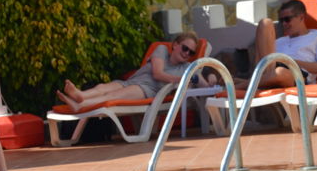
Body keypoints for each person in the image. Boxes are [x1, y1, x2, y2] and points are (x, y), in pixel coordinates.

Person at [56, 31, 216, 112]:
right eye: (185, 48)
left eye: (191, 52)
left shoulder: (188, 68)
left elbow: (206, 88)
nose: (187, 54)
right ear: (175, 45)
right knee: (102, 87)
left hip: (147, 89)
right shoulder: (161, 50)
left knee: (112, 96)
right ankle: (81, 95)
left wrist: (210, 77)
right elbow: (158, 73)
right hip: (132, 81)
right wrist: (181, 79)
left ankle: (81, 105)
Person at [250, 0, 317, 88]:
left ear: (301, 17)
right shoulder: (279, 41)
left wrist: (289, 61)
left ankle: (247, 84)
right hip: (272, 68)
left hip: (297, 75)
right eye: (281, 20)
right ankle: (260, 79)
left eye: (287, 19)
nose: (284, 24)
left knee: (280, 72)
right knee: (265, 23)